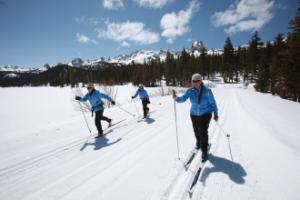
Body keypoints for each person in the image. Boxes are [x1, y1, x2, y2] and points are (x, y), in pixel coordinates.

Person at [172, 73, 218, 161]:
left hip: (206, 113)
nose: (195, 82)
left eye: (197, 81)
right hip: (194, 114)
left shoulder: (207, 91)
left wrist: (216, 114)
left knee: (203, 131)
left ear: (201, 81)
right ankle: (198, 141)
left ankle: (204, 150)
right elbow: (183, 99)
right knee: (196, 130)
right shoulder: (190, 91)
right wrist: (176, 98)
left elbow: (213, 103)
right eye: (194, 81)